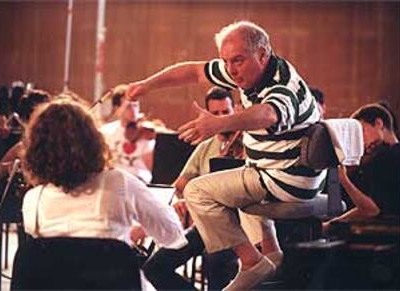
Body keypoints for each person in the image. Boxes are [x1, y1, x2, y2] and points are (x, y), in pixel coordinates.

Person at [114, 20, 323, 290]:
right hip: (273, 173)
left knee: (198, 192)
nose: (232, 71)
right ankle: (267, 252)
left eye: (238, 61)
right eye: (226, 62)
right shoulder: (251, 72)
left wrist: (218, 124)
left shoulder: (281, 85)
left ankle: (252, 261)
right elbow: (192, 71)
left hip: (285, 181)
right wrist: (146, 85)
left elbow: (269, 113)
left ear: (263, 54)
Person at [20, 97, 187, 254]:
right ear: (93, 140)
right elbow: (172, 236)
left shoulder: (32, 201)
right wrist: (167, 214)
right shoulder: (119, 182)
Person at [142, 87, 248, 290]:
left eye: (225, 112)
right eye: (215, 114)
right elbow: (180, 184)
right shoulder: (205, 147)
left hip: (237, 228)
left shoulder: (247, 143)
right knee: (155, 267)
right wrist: (183, 201)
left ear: (235, 109)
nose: (220, 118)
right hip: (205, 226)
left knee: (216, 261)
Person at [323, 103, 400, 229]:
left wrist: (344, 180)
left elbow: (371, 210)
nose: (361, 141)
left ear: (378, 124)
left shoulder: (387, 158)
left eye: (361, 132)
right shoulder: (383, 156)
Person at [101, 96, 155, 184]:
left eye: (136, 106)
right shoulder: (105, 131)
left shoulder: (146, 131)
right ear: (117, 109)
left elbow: (151, 165)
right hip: (113, 178)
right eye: (128, 107)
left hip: (139, 179)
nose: (134, 111)